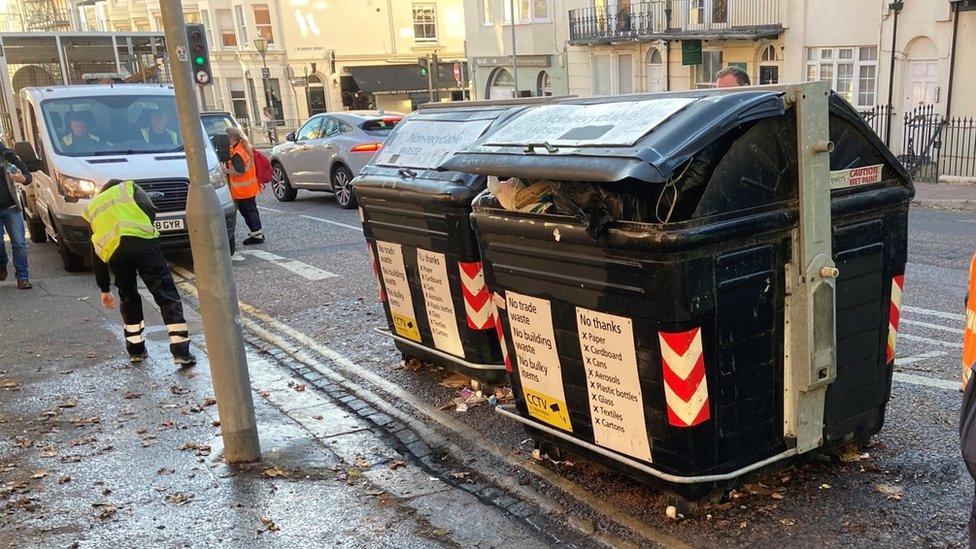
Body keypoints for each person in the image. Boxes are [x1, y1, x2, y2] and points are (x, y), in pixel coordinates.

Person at [83, 179, 196, 366]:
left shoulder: (95, 207)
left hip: (116, 253)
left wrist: (104, 288)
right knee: (165, 293)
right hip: (143, 244)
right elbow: (150, 210)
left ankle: (136, 350)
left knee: (128, 297)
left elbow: (96, 251)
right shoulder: (129, 189)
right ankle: (181, 351)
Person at [222, 127, 264, 245]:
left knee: (248, 211)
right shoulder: (242, 147)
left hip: (243, 190)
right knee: (251, 210)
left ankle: (256, 235)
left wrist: (225, 170)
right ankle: (257, 233)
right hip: (249, 187)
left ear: (231, 138)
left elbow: (240, 171)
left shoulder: (237, 153)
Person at [0, 143, 33, 289]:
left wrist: (21, 178)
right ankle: (2, 264)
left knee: (19, 243)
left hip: (11, 207)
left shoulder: (8, 156)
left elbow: (28, 176)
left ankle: (22, 277)